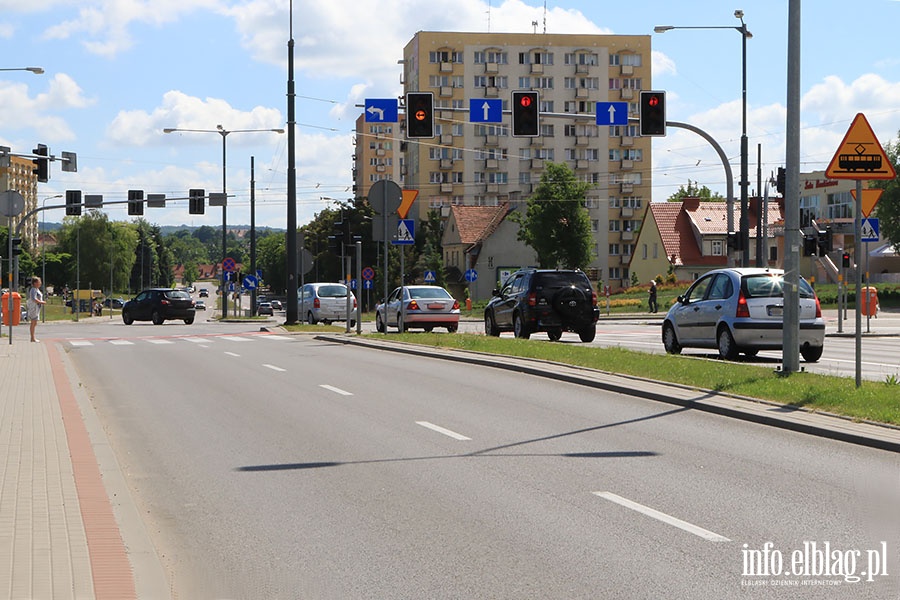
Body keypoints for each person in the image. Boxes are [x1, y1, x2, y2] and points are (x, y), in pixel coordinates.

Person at [27, 276, 46, 342]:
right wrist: (41, 302)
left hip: (37, 308)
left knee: (34, 323)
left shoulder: (37, 290)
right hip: (33, 308)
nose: (40, 283)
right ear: (35, 283)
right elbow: (33, 298)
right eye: (39, 282)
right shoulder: (33, 290)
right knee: (33, 322)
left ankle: (33, 337)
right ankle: (32, 338)